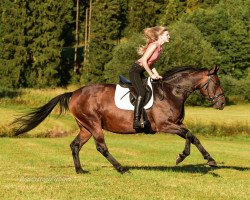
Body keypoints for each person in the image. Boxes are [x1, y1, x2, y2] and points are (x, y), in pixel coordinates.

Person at [129, 26, 170, 130]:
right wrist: (151, 75)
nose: (169, 36)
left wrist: (157, 74)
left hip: (142, 71)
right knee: (141, 93)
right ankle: (136, 121)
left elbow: (151, 63)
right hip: (135, 71)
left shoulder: (160, 48)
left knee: (151, 90)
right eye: (167, 35)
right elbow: (143, 61)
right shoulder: (154, 45)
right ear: (160, 36)